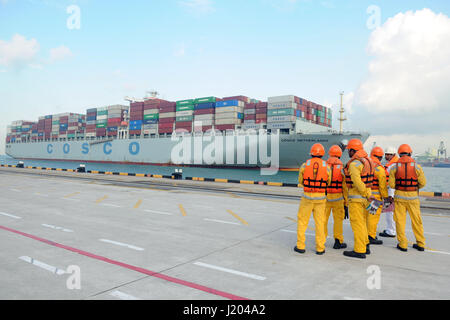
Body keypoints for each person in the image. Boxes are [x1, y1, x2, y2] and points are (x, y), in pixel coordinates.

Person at [388, 144, 427, 252]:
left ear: (399, 154)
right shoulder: (417, 166)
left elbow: (391, 185)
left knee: (400, 221)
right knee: (417, 221)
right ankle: (420, 243)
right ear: (410, 153)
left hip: (399, 197)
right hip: (413, 197)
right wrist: (414, 187)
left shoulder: (394, 167)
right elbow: (423, 183)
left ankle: (403, 244)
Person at [294, 143, 331, 255]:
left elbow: (301, 181)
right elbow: (328, 182)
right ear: (322, 154)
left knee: (302, 221)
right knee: (320, 223)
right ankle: (320, 248)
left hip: (307, 198)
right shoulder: (327, 166)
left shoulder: (304, 165)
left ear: (311, 153)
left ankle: (300, 246)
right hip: (320, 199)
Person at [342, 139, 376, 259]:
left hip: (357, 198)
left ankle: (359, 250)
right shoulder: (369, 161)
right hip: (367, 198)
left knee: (357, 224)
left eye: (349, 151)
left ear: (353, 150)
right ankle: (365, 245)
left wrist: (365, 193)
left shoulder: (354, 164)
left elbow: (357, 182)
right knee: (364, 223)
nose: (348, 153)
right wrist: (368, 194)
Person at [324, 145, 349, 249]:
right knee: (338, 220)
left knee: (322, 220)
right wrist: (346, 204)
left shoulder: (324, 166)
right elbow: (345, 187)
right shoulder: (342, 168)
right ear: (340, 154)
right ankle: (338, 241)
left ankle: (321, 241)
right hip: (338, 198)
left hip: (324, 198)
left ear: (329, 153)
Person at [367, 147, 389, 245]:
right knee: (373, 217)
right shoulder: (380, 169)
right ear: (380, 157)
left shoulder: (365, 165)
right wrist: (385, 197)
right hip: (375, 198)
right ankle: (370, 236)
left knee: (366, 217)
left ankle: (365, 234)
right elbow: (382, 186)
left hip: (365, 195)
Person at [379, 146, 399, 238]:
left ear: (393, 155)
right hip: (391, 192)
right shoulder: (395, 164)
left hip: (389, 193)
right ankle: (391, 229)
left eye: (387, 154)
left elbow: (391, 182)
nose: (386, 156)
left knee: (389, 213)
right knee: (389, 212)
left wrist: (390, 195)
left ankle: (391, 231)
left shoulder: (392, 166)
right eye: (385, 154)